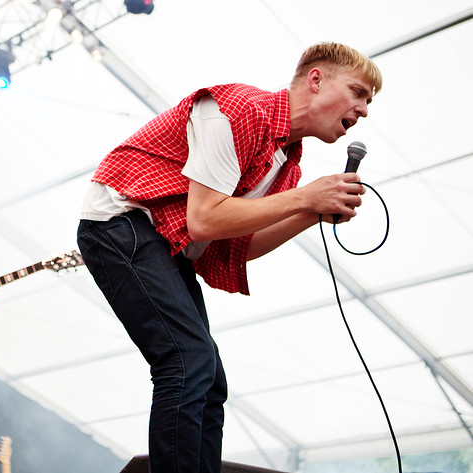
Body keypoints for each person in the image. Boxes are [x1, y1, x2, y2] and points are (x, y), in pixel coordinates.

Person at [76, 42, 382, 473]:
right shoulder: (242, 108)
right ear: (316, 80)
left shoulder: (287, 164)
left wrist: (310, 213)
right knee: (187, 358)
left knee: (210, 379)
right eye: (358, 92)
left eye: (369, 101)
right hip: (121, 222)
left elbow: (237, 243)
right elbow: (203, 220)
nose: (364, 109)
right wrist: (304, 197)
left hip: (164, 244)